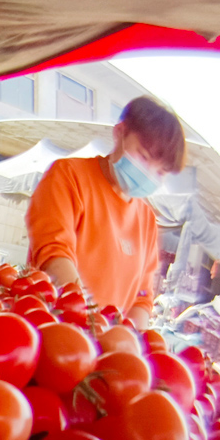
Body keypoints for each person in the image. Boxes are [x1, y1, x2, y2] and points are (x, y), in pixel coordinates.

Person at [26, 96, 186, 328]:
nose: (149, 174)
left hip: (105, 350)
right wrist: (89, 322)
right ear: (119, 133)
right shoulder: (69, 175)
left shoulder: (148, 220)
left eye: (160, 172)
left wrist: (128, 343)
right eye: (143, 157)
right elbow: (53, 254)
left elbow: (142, 299)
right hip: (52, 328)